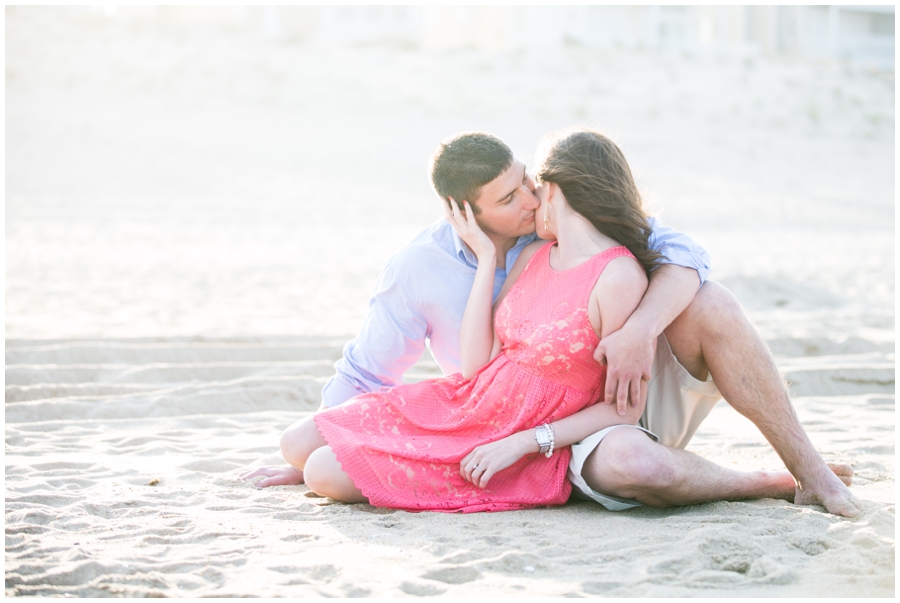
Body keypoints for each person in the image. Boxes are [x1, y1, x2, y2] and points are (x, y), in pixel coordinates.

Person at [242, 130, 858, 517]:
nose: (530, 201)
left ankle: (801, 475)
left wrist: (639, 331)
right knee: (303, 451)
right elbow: (373, 367)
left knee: (711, 300)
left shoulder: (603, 253)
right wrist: (487, 261)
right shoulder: (444, 264)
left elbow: (685, 256)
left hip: (581, 412)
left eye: (531, 186)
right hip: (482, 406)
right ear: (465, 211)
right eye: (510, 199)